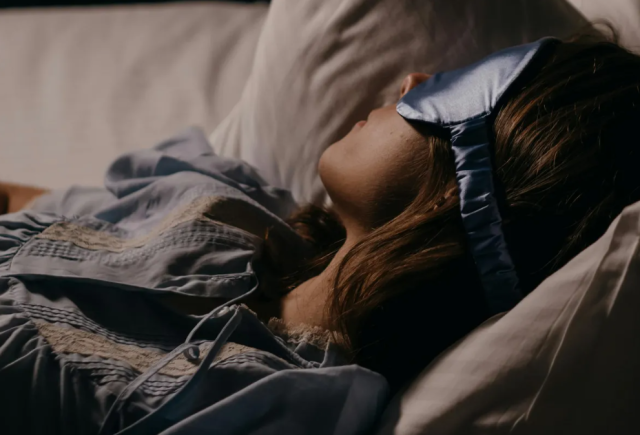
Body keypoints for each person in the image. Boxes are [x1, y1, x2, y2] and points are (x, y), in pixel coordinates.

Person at [1, 33, 640, 434]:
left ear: (467, 185)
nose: (414, 79)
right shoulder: (226, 202)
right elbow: (26, 206)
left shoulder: (276, 404)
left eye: (450, 91)